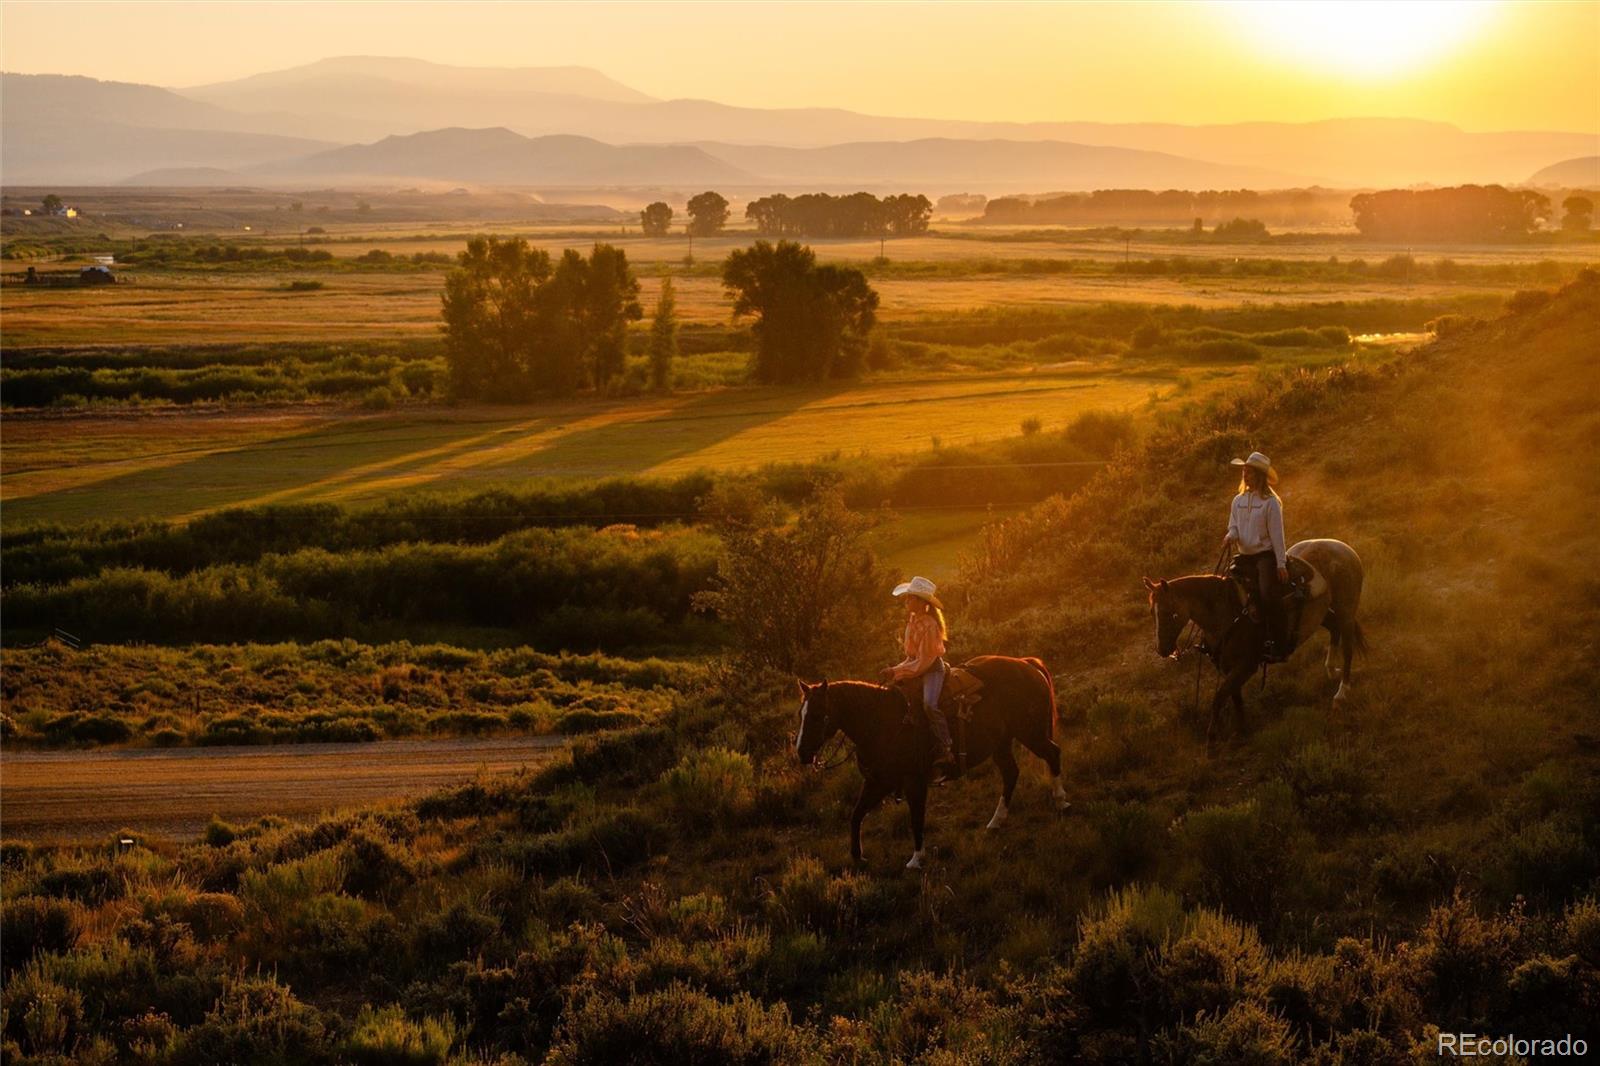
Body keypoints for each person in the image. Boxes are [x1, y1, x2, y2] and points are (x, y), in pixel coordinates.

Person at [885, 576, 959, 780]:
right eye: (907, 598)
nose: (906, 601)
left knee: (929, 704)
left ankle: (946, 747)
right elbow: (911, 657)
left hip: (932, 669)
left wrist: (898, 671)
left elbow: (924, 662)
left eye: (910, 598)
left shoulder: (930, 625)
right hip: (917, 666)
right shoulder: (912, 622)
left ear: (921, 602)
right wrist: (894, 670)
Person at [1224, 451, 1290, 661]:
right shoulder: (1238, 500)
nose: (1245, 474)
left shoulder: (1270, 503)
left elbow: (1277, 536)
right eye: (1244, 471)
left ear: (1259, 475)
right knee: (1227, 590)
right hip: (1244, 555)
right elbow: (1234, 526)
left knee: (1267, 594)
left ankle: (1280, 644)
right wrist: (1230, 536)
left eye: (1250, 472)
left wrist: (1280, 563)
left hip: (1264, 556)